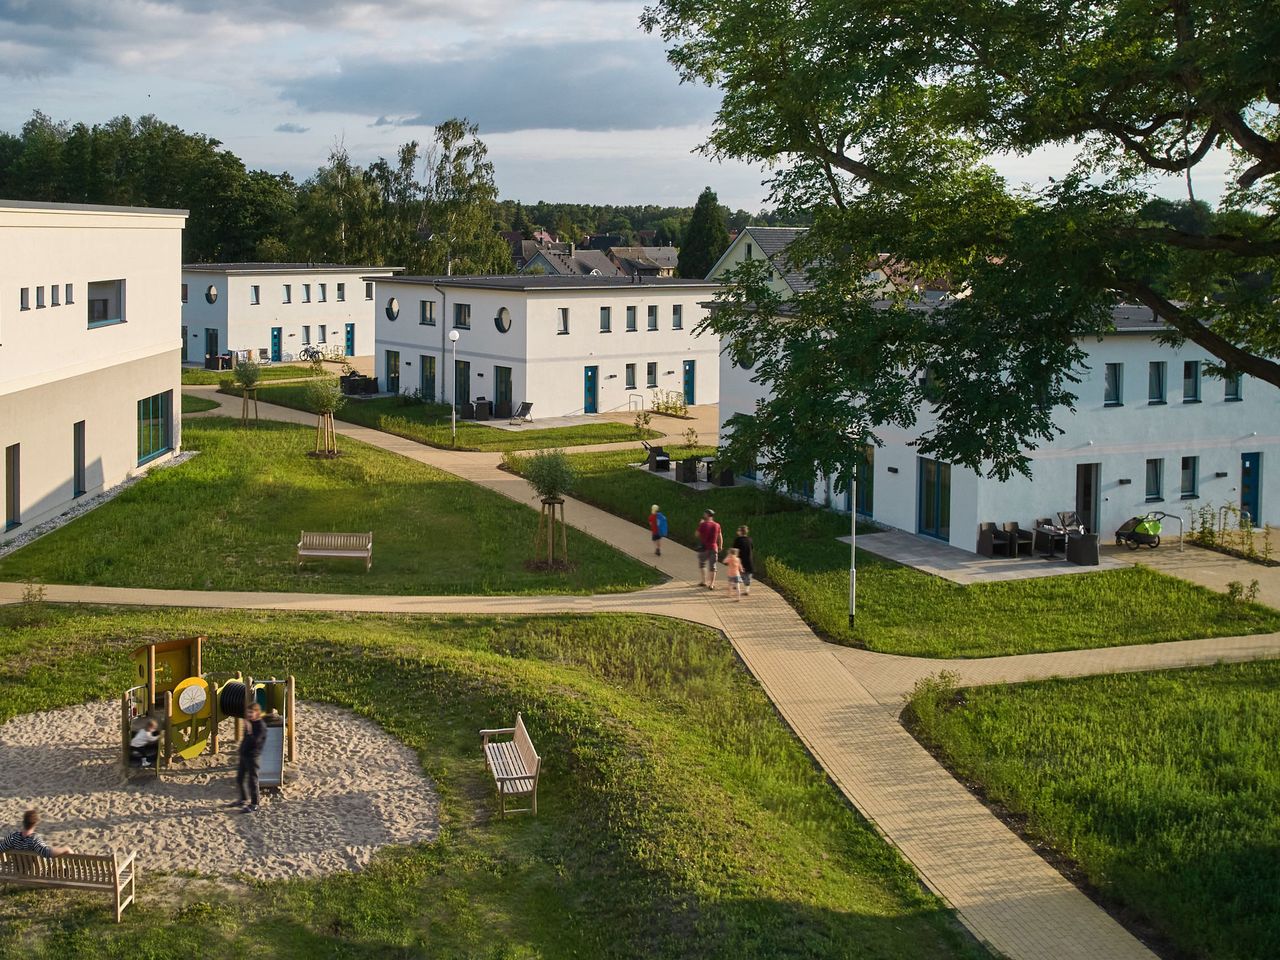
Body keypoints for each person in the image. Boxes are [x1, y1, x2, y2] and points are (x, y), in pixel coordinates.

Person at [0, 809, 73, 857]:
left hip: (18, 871)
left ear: (23, 822)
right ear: (35, 824)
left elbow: (1, 848)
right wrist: (65, 849)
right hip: (32, 873)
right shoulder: (34, 840)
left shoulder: (13, 837)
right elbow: (46, 852)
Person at [237, 703, 268, 813]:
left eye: (251, 712)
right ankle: (244, 799)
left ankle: (255, 804)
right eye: (248, 712)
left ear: (257, 713)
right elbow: (245, 739)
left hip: (253, 757)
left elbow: (255, 741)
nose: (249, 715)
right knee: (240, 778)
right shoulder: (250, 723)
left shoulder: (261, 726)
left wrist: (249, 731)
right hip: (244, 755)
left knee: (252, 781)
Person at [696, 509, 723, 589]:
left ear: (707, 515)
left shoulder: (703, 524)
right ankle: (712, 584)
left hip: (704, 548)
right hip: (714, 547)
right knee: (713, 566)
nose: (703, 515)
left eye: (705, 513)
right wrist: (720, 546)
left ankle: (704, 581)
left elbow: (697, 534)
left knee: (702, 564)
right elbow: (720, 536)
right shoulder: (717, 525)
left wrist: (700, 525)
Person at [732, 525, 754, 597]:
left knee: (737, 573)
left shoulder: (737, 540)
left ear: (741, 532)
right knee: (747, 575)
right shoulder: (750, 539)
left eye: (738, 530)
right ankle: (747, 590)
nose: (737, 531)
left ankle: (736, 585)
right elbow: (752, 548)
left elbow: (734, 550)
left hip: (740, 560)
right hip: (748, 559)